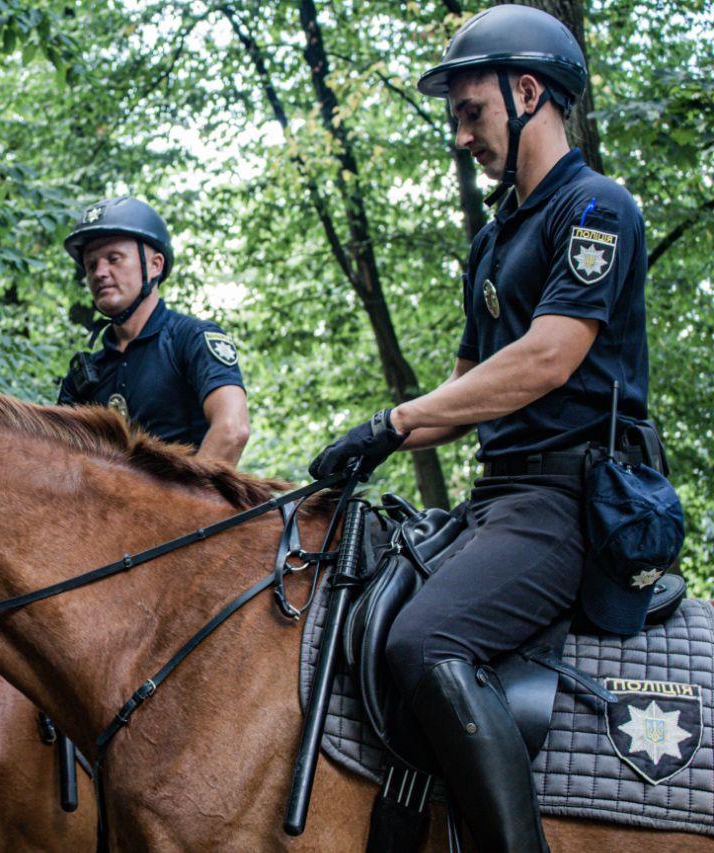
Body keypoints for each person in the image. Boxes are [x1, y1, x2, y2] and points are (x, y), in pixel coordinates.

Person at [308, 7, 657, 850]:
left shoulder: (595, 209)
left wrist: (393, 419)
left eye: (473, 111)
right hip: (500, 499)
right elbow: (466, 390)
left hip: (568, 501)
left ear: (528, 91)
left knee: (427, 638)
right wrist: (362, 447)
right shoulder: (496, 239)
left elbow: (546, 359)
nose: (462, 135)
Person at [57, 196, 250, 465]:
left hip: (191, 503)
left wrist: (183, 505)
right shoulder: (86, 376)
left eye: (114, 259)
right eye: (91, 265)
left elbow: (232, 429)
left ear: (155, 265)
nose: (100, 272)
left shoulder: (191, 339)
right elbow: (58, 461)